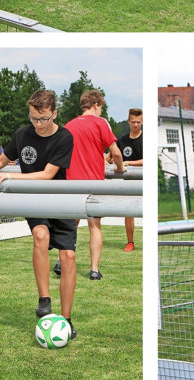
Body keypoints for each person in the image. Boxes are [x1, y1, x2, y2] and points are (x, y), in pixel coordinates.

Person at [0, 90, 80, 338]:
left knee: (68, 256)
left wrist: (12, 176)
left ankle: (66, 320)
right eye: (33, 118)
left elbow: (47, 175)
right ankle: (44, 300)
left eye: (43, 119)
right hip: (33, 200)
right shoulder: (23, 134)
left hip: (60, 199)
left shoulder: (65, 136)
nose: (38, 124)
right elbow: (2, 160)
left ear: (54, 114)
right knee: (41, 235)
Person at [62, 90, 125, 280]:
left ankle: (61, 262)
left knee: (70, 224)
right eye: (101, 107)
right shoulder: (100, 123)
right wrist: (120, 170)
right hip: (93, 181)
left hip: (71, 182)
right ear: (96, 104)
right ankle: (94, 270)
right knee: (94, 225)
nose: (101, 111)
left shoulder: (69, 125)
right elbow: (117, 153)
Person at [115, 108, 143, 252]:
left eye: (138, 122)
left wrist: (129, 163)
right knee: (129, 211)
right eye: (133, 122)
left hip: (144, 182)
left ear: (142, 122)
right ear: (128, 122)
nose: (136, 124)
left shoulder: (145, 139)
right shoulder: (122, 140)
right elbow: (110, 156)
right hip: (128, 183)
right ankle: (130, 242)